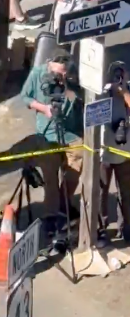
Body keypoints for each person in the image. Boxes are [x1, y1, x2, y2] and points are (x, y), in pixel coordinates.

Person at [20, 51, 84, 235]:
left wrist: (68, 84)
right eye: (59, 72)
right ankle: (50, 215)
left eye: (65, 72)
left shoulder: (71, 75)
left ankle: (63, 204)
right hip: (46, 132)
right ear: (49, 65)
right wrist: (43, 108)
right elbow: (25, 97)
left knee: (75, 169)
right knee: (50, 177)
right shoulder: (37, 73)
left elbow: (81, 95)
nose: (61, 76)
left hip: (71, 132)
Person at [99, 61, 130, 248]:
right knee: (101, 192)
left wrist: (125, 92)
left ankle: (126, 228)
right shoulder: (102, 93)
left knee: (125, 192)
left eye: (121, 74)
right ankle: (101, 230)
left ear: (127, 75)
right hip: (104, 152)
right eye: (115, 74)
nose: (118, 78)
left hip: (127, 152)